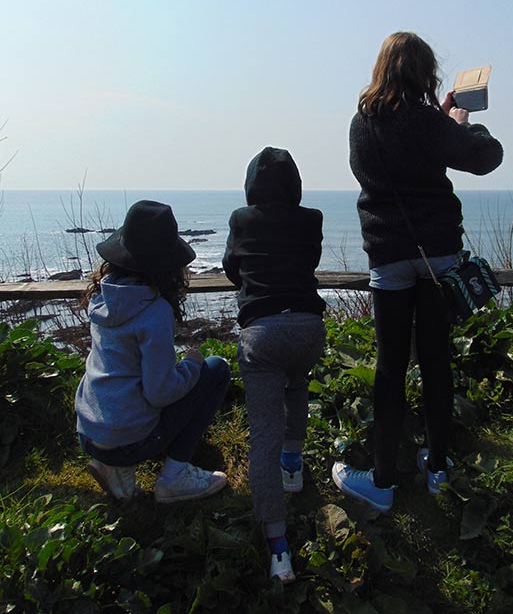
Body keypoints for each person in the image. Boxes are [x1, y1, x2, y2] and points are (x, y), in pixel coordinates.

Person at [332, 32, 503, 513]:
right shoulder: (430, 122)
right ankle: (438, 468)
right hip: (437, 255)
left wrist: (442, 120)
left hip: (387, 254)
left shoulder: (361, 124)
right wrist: (464, 124)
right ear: (424, 72)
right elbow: (484, 159)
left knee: (390, 368)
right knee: (435, 360)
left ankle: (383, 482)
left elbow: (371, 176)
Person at [75, 200, 231, 503]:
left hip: (90, 431)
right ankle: (175, 476)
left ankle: (116, 467)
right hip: (128, 437)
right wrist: (192, 364)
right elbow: (160, 393)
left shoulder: (102, 297)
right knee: (216, 368)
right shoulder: (154, 310)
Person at [223, 147, 326, 584]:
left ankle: (278, 547)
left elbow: (231, 267)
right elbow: (311, 263)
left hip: (262, 334)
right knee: (297, 384)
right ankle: (293, 467)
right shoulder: (313, 219)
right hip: (307, 329)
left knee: (261, 434)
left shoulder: (241, 220)